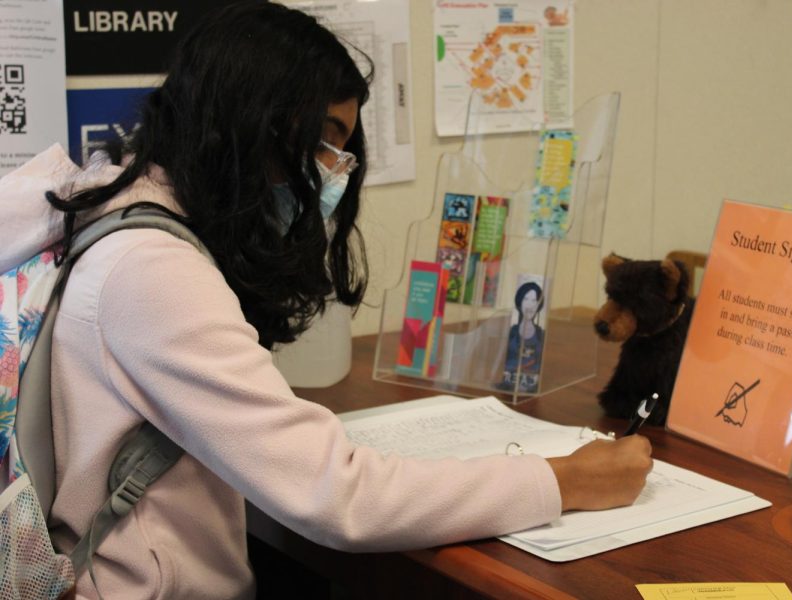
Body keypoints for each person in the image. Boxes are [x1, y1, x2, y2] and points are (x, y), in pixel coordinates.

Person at [0, 3, 652, 598]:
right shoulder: (153, 272)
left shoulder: (115, 204)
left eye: (344, 146)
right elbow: (337, 495)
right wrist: (564, 481)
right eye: (323, 140)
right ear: (247, 122)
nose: (335, 169)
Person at [500, 280, 545, 393]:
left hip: (532, 388)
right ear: (519, 302)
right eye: (526, 299)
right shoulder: (511, 333)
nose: (530, 305)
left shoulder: (542, 335)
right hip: (507, 388)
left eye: (534, 300)